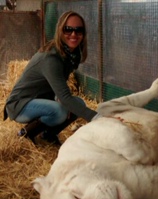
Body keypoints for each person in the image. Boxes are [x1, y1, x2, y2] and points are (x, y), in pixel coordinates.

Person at [3, 11, 99, 145]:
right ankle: (25, 133)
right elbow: (65, 98)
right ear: (60, 30)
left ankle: (47, 135)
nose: (73, 34)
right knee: (59, 110)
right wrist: (97, 117)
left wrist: (61, 100)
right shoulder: (51, 58)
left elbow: (59, 90)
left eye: (79, 30)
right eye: (68, 29)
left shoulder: (71, 54)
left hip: (40, 100)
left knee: (78, 104)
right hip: (20, 104)